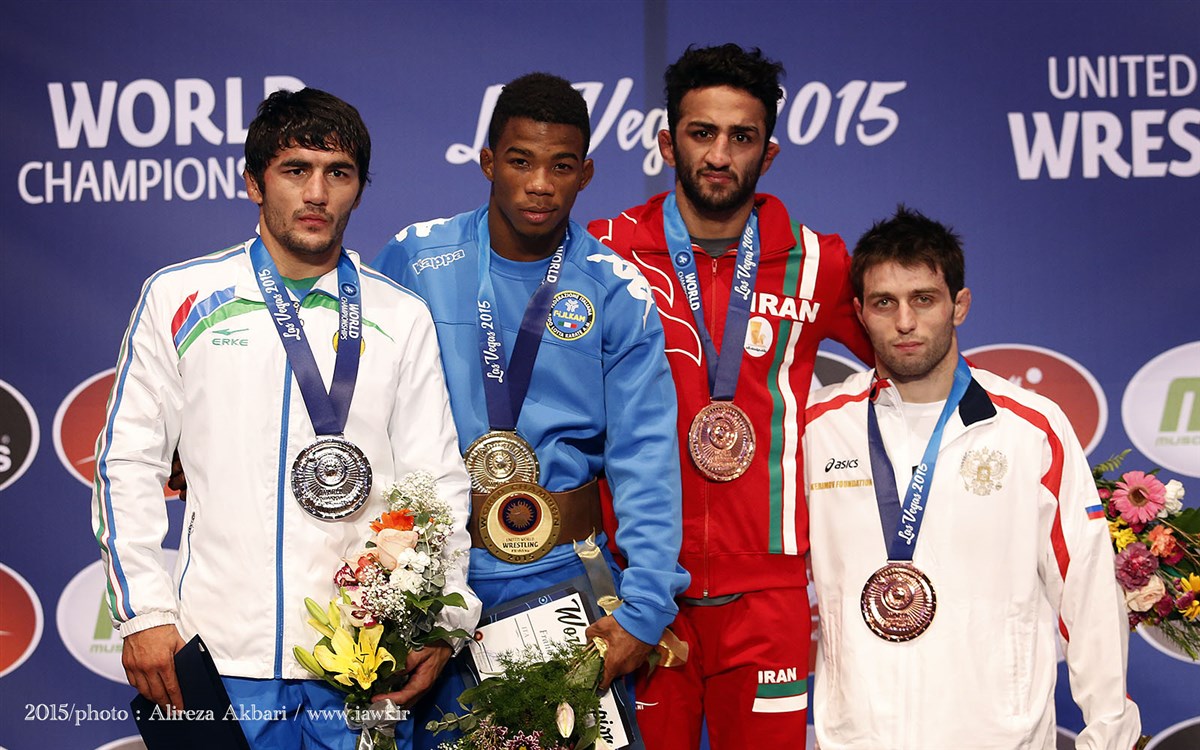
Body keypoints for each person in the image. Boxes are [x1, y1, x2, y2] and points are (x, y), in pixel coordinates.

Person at [92, 88, 480, 749]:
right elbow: (127, 462)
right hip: (219, 655)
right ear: (254, 182)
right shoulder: (179, 296)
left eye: (339, 173)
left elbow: (437, 481)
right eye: (295, 170)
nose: (317, 194)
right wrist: (143, 613)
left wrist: (438, 622)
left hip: (364, 662)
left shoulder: (400, 314)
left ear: (359, 188)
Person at [372, 73, 690, 747]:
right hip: (430, 579)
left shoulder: (615, 288)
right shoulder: (416, 259)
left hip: (563, 577)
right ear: (488, 161)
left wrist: (645, 608)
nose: (540, 184)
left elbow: (646, 456)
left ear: (586, 174)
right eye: (521, 161)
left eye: (561, 166)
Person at [588, 44, 873, 750]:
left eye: (741, 137)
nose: (720, 155)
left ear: (767, 154)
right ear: (667, 144)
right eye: (702, 133)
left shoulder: (819, 262)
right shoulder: (604, 254)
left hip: (768, 598)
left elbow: (910, 363)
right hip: (636, 588)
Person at [804, 206, 1141, 749]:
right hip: (857, 738)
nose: (905, 322)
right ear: (860, 313)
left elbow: (1087, 589)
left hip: (999, 738)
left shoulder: (1031, 428)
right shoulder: (818, 429)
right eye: (885, 302)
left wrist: (1109, 736)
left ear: (959, 305)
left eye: (924, 299)